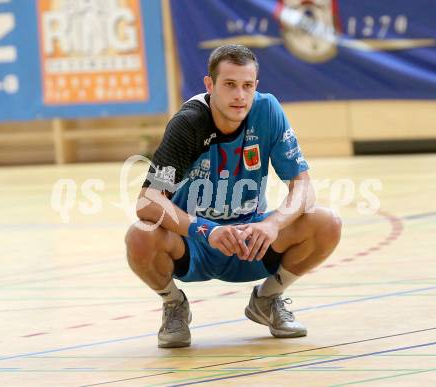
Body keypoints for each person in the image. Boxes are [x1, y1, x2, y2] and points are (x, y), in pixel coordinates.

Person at [125, 44, 341, 348]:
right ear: (210, 85)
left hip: (251, 240)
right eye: (229, 85)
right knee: (139, 236)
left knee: (327, 222)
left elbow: (303, 188)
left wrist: (273, 225)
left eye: (247, 86)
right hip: (195, 241)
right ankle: (174, 304)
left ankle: (268, 298)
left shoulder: (267, 112)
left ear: (255, 86)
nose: (239, 95)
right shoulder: (189, 124)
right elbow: (148, 201)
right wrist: (207, 231)